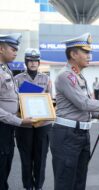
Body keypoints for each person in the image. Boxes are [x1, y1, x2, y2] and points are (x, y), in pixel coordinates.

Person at [49, 33, 99, 190]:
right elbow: (84, 103)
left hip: (81, 135)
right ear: (73, 54)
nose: (89, 56)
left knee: (79, 182)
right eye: (85, 52)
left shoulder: (79, 77)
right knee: (65, 183)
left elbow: (81, 107)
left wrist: (98, 114)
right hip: (67, 135)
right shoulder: (66, 76)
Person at [15, 48, 52, 190]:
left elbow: (51, 101)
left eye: (35, 60)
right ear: (26, 62)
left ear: (39, 62)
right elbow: (14, 101)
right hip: (24, 124)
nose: (33, 63)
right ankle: (28, 186)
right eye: (30, 60)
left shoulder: (46, 79)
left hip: (43, 124)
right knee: (26, 157)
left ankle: (39, 186)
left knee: (41, 158)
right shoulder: (17, 79)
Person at [0, 33, 33, 190]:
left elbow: (12, 98)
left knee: (5, 168)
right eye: (13, 49)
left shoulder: (5, 69)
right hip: (2, 128)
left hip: (7, 129)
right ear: (1, 48)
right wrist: (19, 121)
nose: (15, 52)